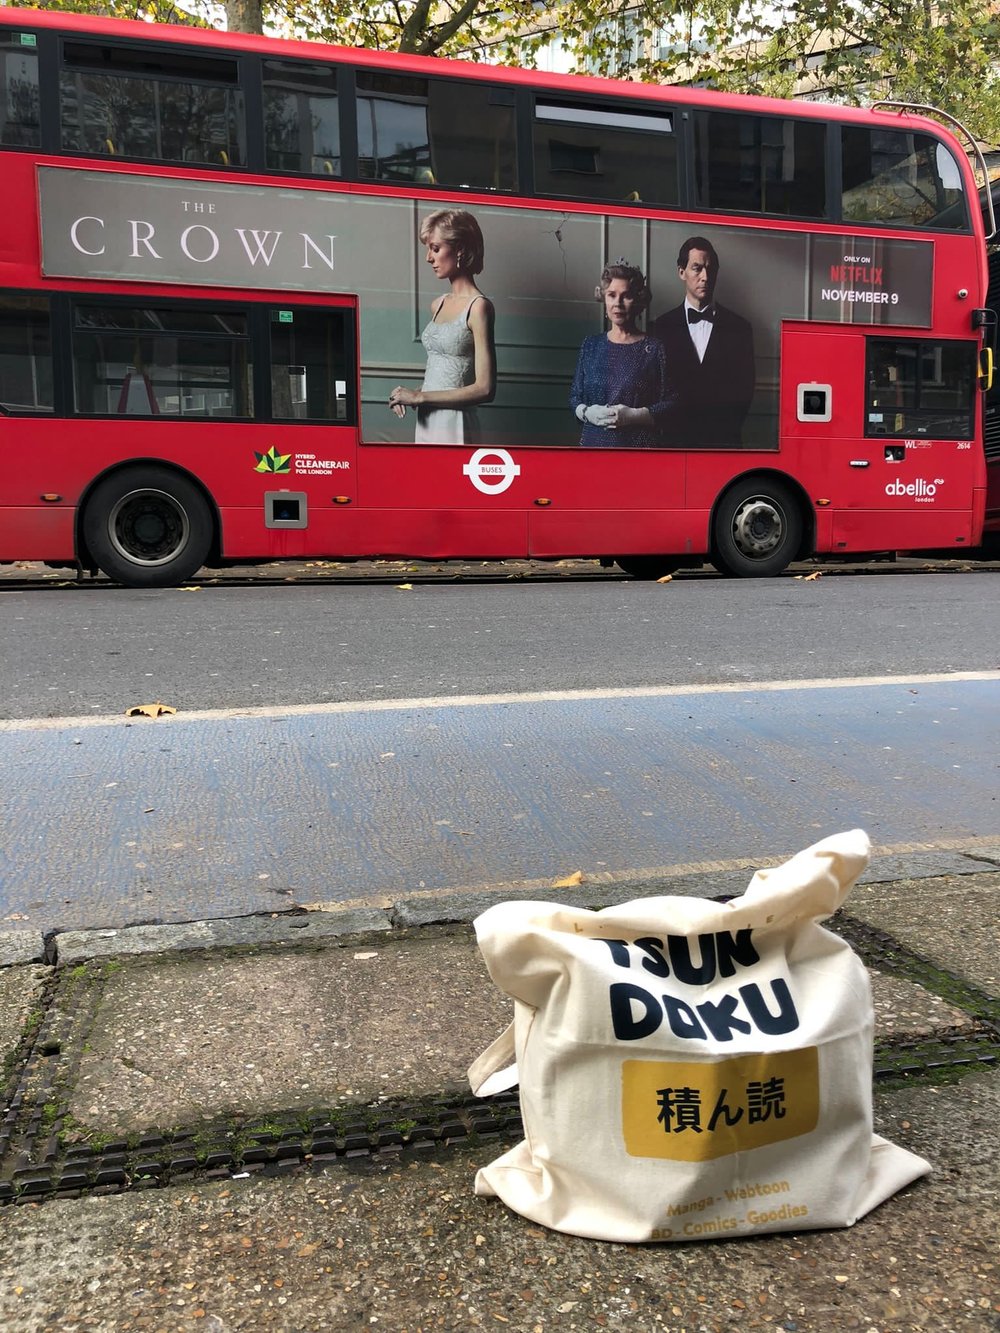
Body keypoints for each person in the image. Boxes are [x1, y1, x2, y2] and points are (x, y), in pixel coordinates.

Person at [388, 209, 496, 444]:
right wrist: (408, 395)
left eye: (435, 249)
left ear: (460, 250)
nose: (428, 258)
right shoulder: (438, 304)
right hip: (428, 420)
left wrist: (420, 397)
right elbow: (443, 370)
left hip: (455, 424)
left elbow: (486, 389)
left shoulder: (479, 307)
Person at [649, 236, 755, 446]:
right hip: (673, 443)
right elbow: (654, 389)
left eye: (710, 268)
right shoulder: (660, 327)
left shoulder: (740, 328)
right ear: (682, 272)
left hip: (723, 444)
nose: (705, 276)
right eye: (697, 268)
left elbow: (745, 391)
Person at [569, 260, 674, 448]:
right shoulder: (590, 345)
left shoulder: (654, 348)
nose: (617, 303)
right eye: (611, 295)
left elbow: (671, 403)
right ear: (604, 299)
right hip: (593, 447)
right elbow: (574, 398)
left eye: (626, 296)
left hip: (638, 450)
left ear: (638, 300)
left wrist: (634, 416)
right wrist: (586, 412)